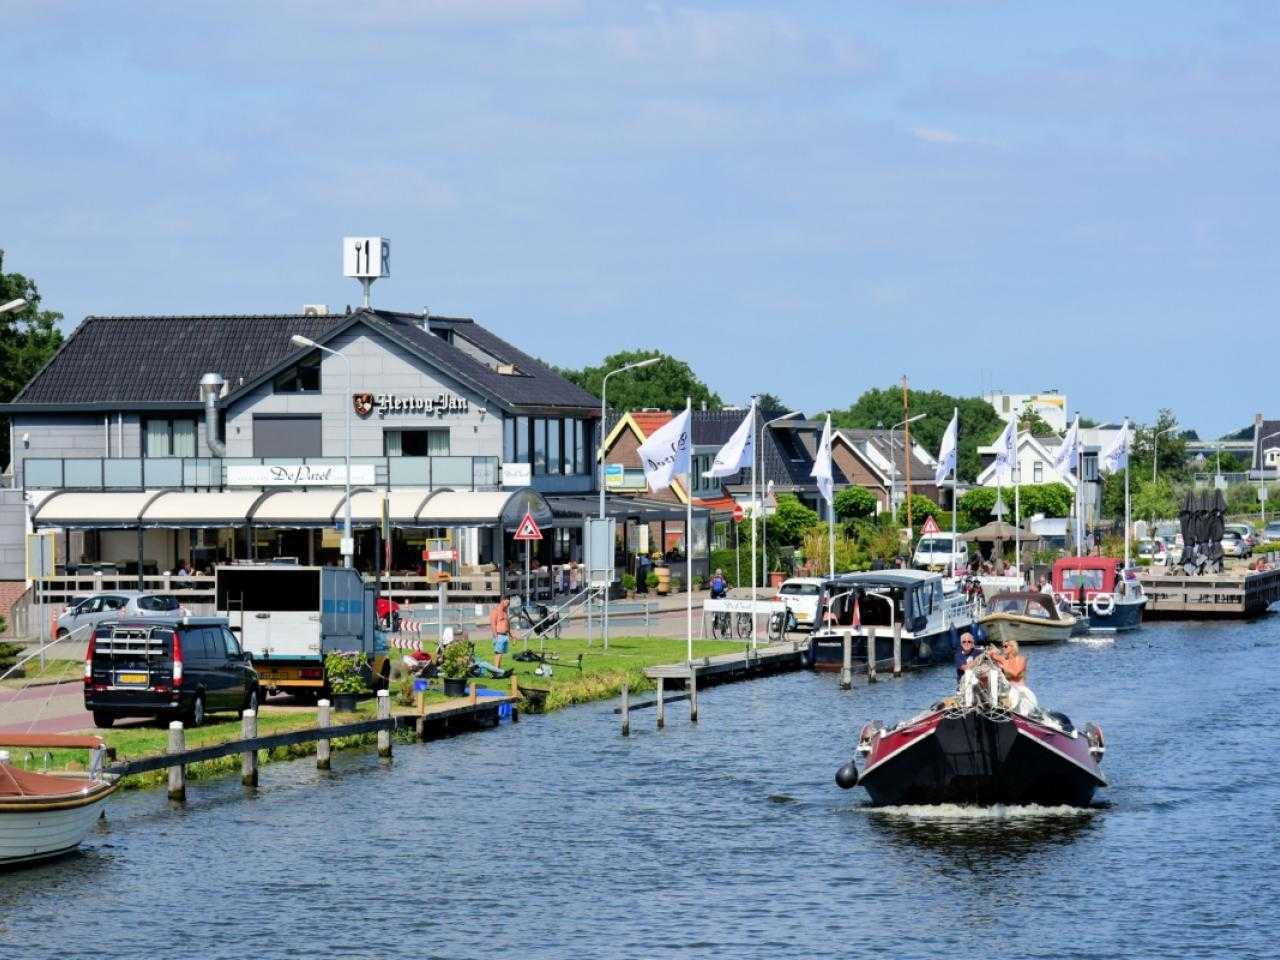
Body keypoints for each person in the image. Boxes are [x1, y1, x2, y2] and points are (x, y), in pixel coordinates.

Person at [988, 638, 1037, 715]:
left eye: (1005, 646)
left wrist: (1003, 665)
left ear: (1012, 647)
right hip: (1009, 691)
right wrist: (992, 652)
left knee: (1015, 695)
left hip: (1021, 691)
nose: (1003, 648)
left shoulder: (1021, 659)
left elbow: (1015, 673)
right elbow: (992, 655)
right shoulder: (1004, 660)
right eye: (1002, 646)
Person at [489, 595, 516, 669]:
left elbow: (507, 625)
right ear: (502, 601)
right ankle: (496, 671)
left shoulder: (505, 612)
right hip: (499, 635)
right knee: (498, 653)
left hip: (505, 636)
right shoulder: (495, 611)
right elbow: (493, 624)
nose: (507, 606)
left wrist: (511, 636)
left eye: (508, 604)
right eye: (507, 603)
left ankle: (498, 669)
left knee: (501, 654)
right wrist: (496, 637)